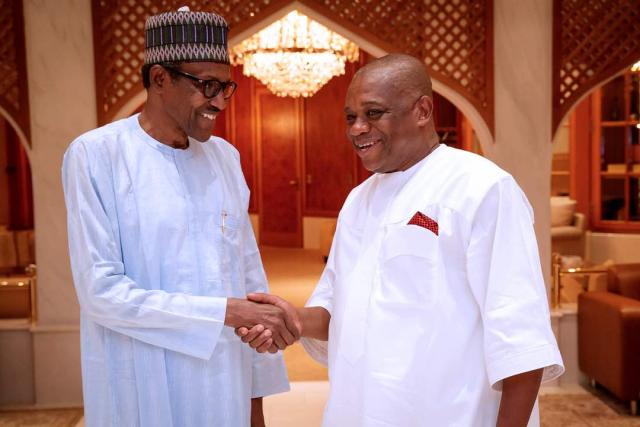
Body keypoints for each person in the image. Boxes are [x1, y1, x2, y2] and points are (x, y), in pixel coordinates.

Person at [237, 54, 564, 426]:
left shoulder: (482, 188)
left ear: (422, 110)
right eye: (350, 117)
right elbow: (335, 311)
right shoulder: (358, 200)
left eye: (373, 113)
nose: (357, 129)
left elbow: (520, 339)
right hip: (356, 412)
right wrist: (291, 318)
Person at [62, 7, 300, 427]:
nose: (219, 102)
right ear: (159, 79)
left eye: (226, 88)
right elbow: (101, 293)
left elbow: (250, 282)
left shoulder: (225, 158)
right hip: (140, 382)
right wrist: (226, 312)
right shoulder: (97, 154)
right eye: (206, 86)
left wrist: (257, 400)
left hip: (224, 382)